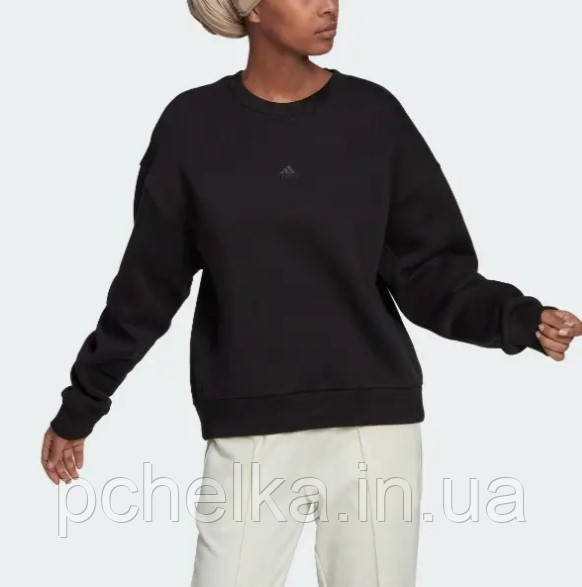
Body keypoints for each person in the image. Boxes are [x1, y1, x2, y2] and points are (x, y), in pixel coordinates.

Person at [41, 1, 581, 585]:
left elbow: (429, 269)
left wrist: (518, 319)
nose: (329, 5)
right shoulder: (192, 127)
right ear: (251, 8)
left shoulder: (372, 116)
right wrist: (83, 404)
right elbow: (146, 289)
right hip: (249, 429)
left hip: (374, 428)